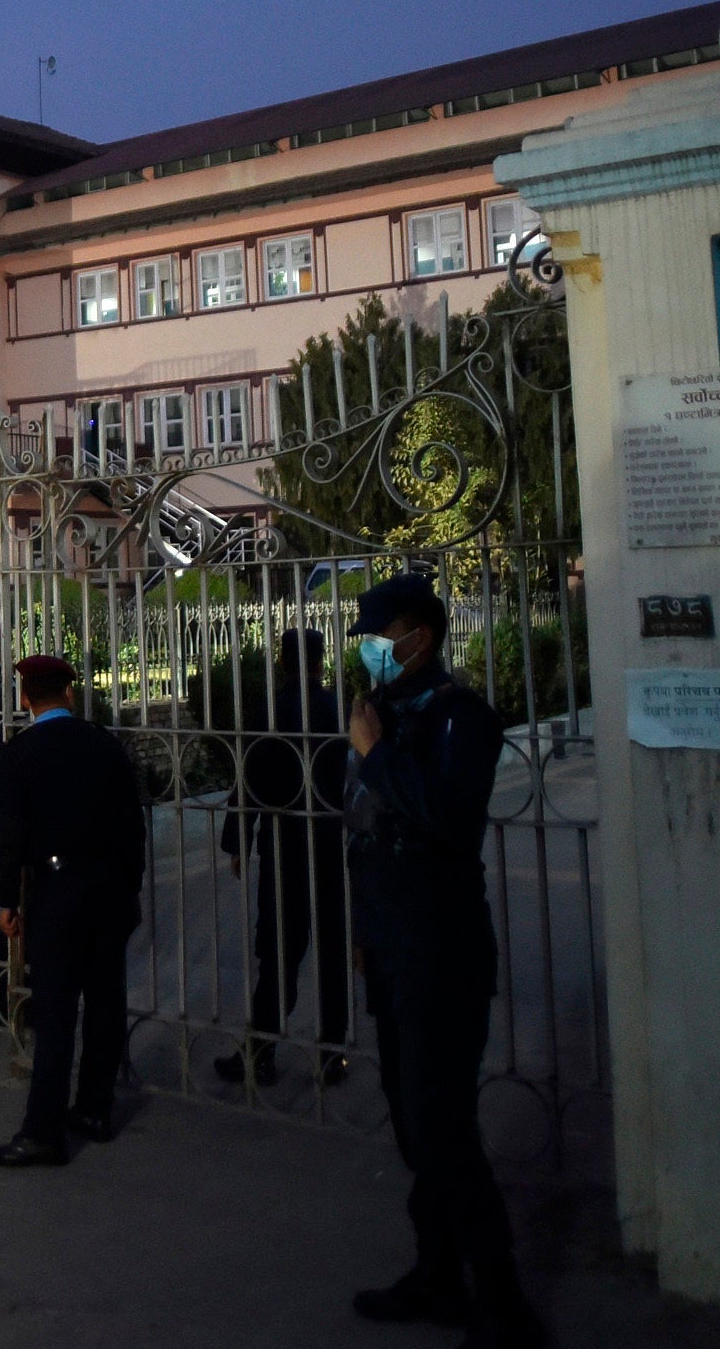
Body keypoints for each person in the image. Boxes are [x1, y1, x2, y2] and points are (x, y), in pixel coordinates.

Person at [342, 572, 539, 1345]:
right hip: (393, 946)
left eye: (378, 636)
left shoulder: (462, 717)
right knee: (413, 1124)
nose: (368, 648)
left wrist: (375, 754)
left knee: (443, 1128)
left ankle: (504, 1306)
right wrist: (365, 934)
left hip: (441, 950)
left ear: (418, 637)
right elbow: (366, 834)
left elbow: (449, 820)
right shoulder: (383, 712)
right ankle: (438, 1276)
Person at [0, 654, 146, 1169]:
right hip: (110, 889)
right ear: (70, 694)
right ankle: (95, 1109)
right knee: (105, 1002)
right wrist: (130, 889)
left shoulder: (18, 754)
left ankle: (43, 1132)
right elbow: (133, 825)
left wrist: (6, 901)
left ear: (24, 698)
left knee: (55, 1013)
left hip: (58, 892)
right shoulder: (104, 743)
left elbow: (8, 837)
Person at [217, 628, 353, 1088]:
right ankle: (332, 1055)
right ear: (319, 661)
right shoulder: (336, 706)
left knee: (278, 951)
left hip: (284, 840)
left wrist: (239, 839)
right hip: (329, 840)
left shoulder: (271, 708)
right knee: (331, 948)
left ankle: (260, 1053)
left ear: (282, 662)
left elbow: (250, 774)